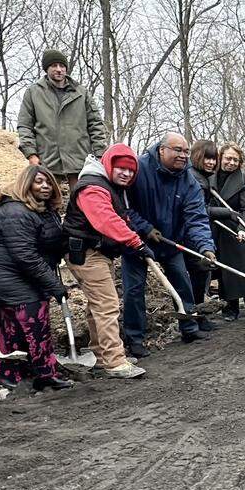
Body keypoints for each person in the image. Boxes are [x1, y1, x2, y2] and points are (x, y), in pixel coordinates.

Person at [0, 165, 72, 391]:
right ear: (26, 185)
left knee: (15, 323)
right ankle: (43, 372)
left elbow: (51, 242)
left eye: (48, 182)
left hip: (17, 271)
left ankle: (13, 369)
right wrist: (54, 285)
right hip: (0, 272)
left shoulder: (43, 210)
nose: (45, 186)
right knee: (34, 319)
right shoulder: (17, 212)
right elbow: (25, 255)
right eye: (38, 182)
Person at [121, 132, 218, 354]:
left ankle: (189, 326)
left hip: (170, 240)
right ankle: (135, 339)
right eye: (178, 150)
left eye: (186, 151)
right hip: (136, 242)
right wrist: (144, 228)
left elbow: (197, 216)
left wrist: (205, 247)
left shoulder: (187, 180)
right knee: (134, 291)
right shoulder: (138, 168)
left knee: (182, 283)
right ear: (162, 149)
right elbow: (123, 207)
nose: (183, 156)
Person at [62, 144, 147, 379]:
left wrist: (137, 235)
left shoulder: (108, 185)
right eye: (121, 168)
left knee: (97, 305)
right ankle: (115, 362)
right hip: (86, 253)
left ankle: (101, 355)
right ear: (109, 164)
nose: (126, 174)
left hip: (98, 252)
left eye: (131, 170)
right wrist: (134, 242)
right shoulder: (92, 187)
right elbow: (105, 220)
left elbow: (120, 217)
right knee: (107, 305)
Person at [16, 50, 108, 188]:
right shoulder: (33, 93)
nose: (59, 70)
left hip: (79, 158)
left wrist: (100, 153)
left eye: (62, 66)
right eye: (54, 66)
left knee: (81, 200)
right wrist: (31, 154)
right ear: (46, 68)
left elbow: (96, 124)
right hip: (47, 158)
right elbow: (25, 126)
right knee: (48, 202)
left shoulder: (81, 92)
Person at [211, 143, 245, 323]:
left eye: (236, 159)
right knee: (225, 272)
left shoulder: (243, 180)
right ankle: (230, 307)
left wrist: (244, 229)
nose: (231, 162)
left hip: (238, 228)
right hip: (217, 230)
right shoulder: (209, 178)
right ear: (220, 158)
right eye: (228, 158)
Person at [185, 139, 220, 331]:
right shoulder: (194, 178)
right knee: (196, 278)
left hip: (199, 233)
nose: (211, 162)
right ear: (198, 157)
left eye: (213, 159)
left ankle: (198, 317)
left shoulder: (203, 176)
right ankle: (194, 319)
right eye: (207, 158)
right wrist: (223, 213)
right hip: (191, 235)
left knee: (201, 276)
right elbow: (199, 210)